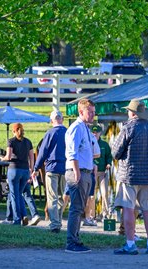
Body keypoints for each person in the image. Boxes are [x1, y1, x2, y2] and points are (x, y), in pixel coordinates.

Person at [112, 99, 148, 255]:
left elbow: (116, 153)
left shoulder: (128, 128)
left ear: (132, 113)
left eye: (128, 110)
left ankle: (130, 244)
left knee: (128, 208)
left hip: (129, 175)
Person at [64, 98, 96, 253]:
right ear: (81, 111)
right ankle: (71, 242)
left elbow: (90, 152)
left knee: (79, 208)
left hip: (85, 172)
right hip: (78, 172)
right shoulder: (76, 128)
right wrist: (76, 171)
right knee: (76, 209)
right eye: (90, 112)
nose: (92, 115)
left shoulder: (85, 128)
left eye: (93, 112)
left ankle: (75, 239)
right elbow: (72, 152)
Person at [32, 110, 67, 233]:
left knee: (52, 197)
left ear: (51, 120)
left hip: (52, 168)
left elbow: (42, 152)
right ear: (62, 119)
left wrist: (36, 168)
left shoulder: (50, 133)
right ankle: (58, 220)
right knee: (61, 197)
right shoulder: (68, 132)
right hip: (65, 168)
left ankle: (55, 224)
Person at [0, 123, 35, 226]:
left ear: (14, 131)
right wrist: (31, 170)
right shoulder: (28, 142)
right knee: (19, 194)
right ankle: (24, 216)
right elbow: (32, 157)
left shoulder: (11, 141)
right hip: (25, 171)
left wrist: (2, 158)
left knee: (14, 195)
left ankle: (16, 219)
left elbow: (9, 156)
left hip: (14, 170)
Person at [91, 124, 113, 220]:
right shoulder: (88, 143)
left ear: (100, 133)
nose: (95, 134)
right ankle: (91, 215)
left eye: (97, 132)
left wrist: (108, 163)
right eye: (93, 132)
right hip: (92, 173)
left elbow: (109, 156)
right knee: (91, 195)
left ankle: (106, 214)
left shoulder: (104, 145)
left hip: (102, 173)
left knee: (104, 194)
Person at [82, 131, 100, 227]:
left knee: (90, 197)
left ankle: (88, 217)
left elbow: (98, 154)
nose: (95, 134)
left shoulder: (93, 140)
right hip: (80, 169)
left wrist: (88, 156)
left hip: (89, 170)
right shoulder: (80, 135)